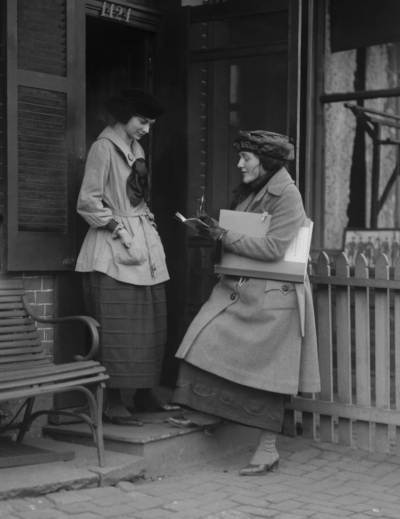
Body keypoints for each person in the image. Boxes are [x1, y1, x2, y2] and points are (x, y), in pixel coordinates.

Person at [168, 130, 321, 476]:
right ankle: (208, 410)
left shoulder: (288, 196)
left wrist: (223, 235)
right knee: (205, 337)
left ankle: (267, 450)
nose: (239, 164)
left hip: (275, 298)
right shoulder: (256, 189)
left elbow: (272, 248)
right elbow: (247, 233)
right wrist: (215, 229)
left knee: (270, 377)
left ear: (265, 161)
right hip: (247, 289)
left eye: (246, 158)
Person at [76, 88, 178, 425]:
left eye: (149, 123)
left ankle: (145, 393)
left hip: (143, 244)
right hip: (113, 248)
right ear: (125, 117)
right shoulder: (103, 148)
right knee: (118, 329)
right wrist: (118, 229)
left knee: (151, 326)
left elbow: (138, 199)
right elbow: (88, 201)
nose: (146, 128)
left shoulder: (137, 148)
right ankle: (113, 401)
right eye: (142, 122)